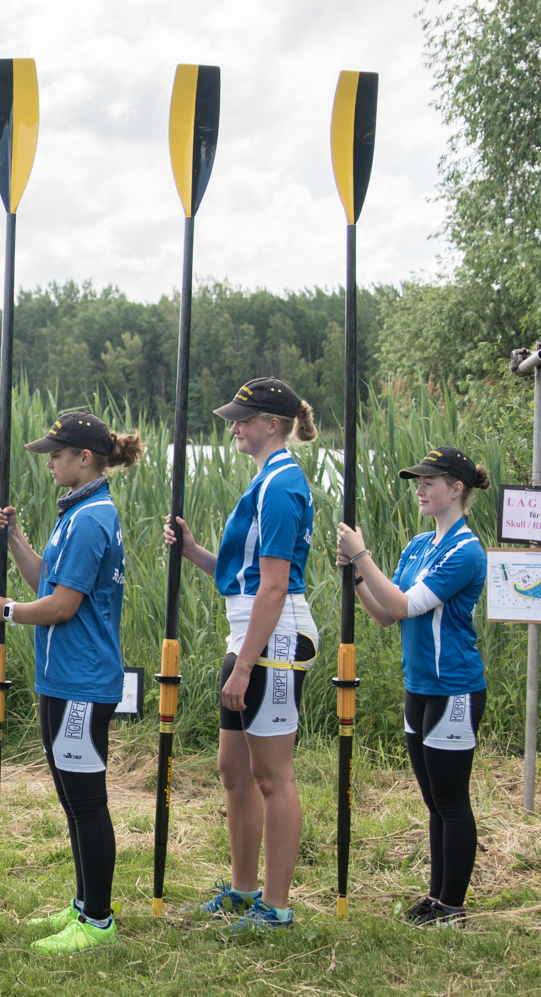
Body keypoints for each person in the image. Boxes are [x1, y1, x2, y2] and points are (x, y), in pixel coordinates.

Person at [163, 377, 319, 931]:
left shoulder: (280, 485)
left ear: (272, 425)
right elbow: (245, 576)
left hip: (274, 639)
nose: (234, 427)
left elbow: (274, 587)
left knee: (273, 775)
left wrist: (246, 665)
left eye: (242, 419)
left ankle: (275, 908)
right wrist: (193, 551)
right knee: (234, 769)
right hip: (250, 632)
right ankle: (243, 889)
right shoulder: (264, 480)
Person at [0, 411, 142, 955]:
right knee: (72, 799)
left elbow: (62, 605)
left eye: (56, 454)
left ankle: (97, 921)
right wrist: (14, 537)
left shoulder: (92, 518)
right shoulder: (77, 511)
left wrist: (8, 611)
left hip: (82, 681)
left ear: (85, 457)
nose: (49, 462)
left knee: (87, 801)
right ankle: (83, 903)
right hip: (61, 678)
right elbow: (46, 582)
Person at [336, 446, 490, 928]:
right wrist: (356, 576)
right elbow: (387, 614)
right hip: (418, 686)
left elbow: (406, 605)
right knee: (433, 802)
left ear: (456, 489)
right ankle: (435, 898)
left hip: (455, 689)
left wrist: (362, 554)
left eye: (429, 482)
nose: (420, 489)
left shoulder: (466, 551)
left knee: (451, 801)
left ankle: (452, 907)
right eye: (418, 482)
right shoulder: (419, 545)